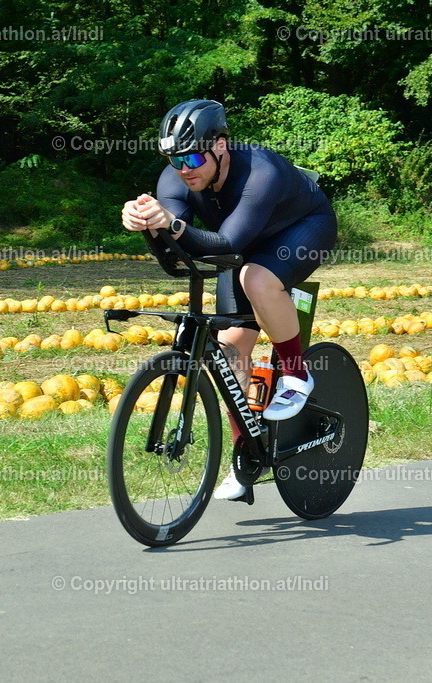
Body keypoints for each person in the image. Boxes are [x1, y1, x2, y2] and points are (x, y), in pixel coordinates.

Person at [120, 98, 337, 501]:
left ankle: (295, 372)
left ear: (220, 145)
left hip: (303, 229)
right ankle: (246, 458)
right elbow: (176, 252)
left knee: (256, 278)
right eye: (174, 160)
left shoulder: (261, 171)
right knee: (230, 348)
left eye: (191, 158)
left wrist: (174, 224)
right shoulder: (176, 180)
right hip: (243, 243)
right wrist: (147, 225)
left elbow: (230, 244)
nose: (184, 170)